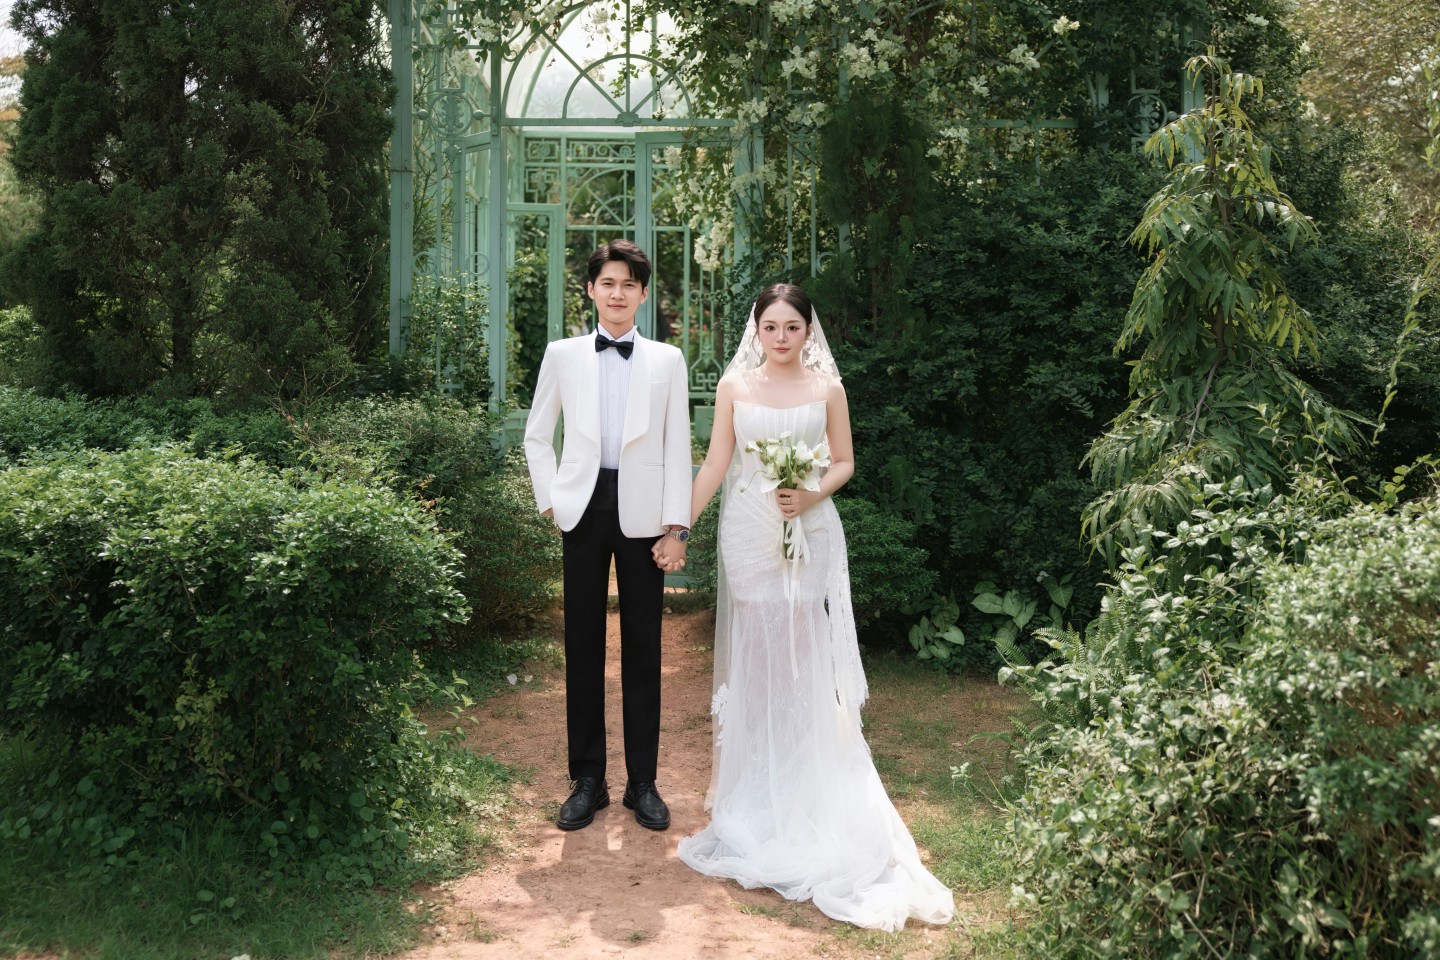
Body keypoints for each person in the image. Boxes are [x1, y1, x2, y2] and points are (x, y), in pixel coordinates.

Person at [665, 283, 955, 930]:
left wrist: (812, 493)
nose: (781, 337)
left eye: (792, 327)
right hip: (748, 531)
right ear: (756, 330)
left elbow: (845, 461)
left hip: (810, 528)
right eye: (770, 326)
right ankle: (756, 788)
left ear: (808, 331)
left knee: (802, 653)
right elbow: (715, 464)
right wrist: (678, 527)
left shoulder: (828, 389)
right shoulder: (734, 387)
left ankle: (804, 783)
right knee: (758, 657)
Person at [524, 239, 693, 832]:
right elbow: (537, 435)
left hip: (645, 514)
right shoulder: (563, 354)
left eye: (628, 285)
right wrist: (552, 500)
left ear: (642, 294)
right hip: (583, 508)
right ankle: (587, 781)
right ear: (591, 290)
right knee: (583, 644)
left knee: (645, 647)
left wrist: (678, 526)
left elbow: (678, 446)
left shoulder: (668, 360)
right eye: (607, 283)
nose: (617, 293)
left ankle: (642, 782)